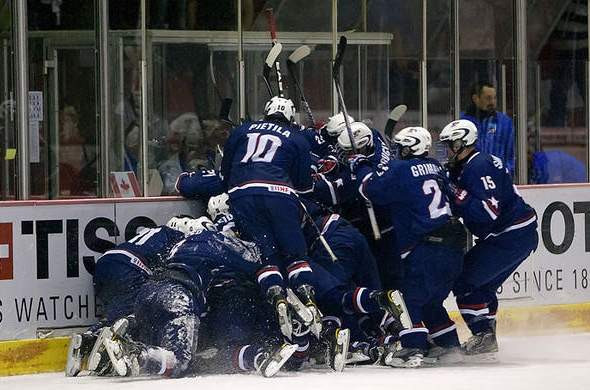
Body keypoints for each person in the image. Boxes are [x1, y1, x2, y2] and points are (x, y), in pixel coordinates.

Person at [347, 126, 466, 368]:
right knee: (431, 302)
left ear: (411, 147)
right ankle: (450, 346)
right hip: (454, 245)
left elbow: (370, 190)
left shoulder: (402, 169)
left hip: (428, 247)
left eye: (401, 147)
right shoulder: (437, 167)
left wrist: (360, 164)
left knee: (408, 300)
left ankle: (412, 349)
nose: (397, 152)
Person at [220, 96, 322, 336]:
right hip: (279, 195)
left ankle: (278, 299)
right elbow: (304, 186)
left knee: (264, 253)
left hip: (242, 195)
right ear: (289, 116)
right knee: (295, 254)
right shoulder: (296, 138)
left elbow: (225, 171)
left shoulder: (241, 131)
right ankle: (308, 301)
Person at [439, 119, 538, 360]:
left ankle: (484, 335)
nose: (446, 150)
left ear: (463, 143)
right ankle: (487, 335)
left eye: (450, 145)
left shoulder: (479, 166)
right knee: (482, 287)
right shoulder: (467, 165)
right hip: (514, 235)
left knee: (464, 283)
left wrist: (455, 193)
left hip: (511, 235)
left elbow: (487, 212)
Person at [461, 82, 515, 176]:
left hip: (498, 178)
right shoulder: (463, 122)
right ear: (476, 99)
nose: (492, 102)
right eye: (488, 98)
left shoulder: (504, 122)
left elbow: (510, 154)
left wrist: (505, 172)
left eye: (494, 98)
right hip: (472, 177)